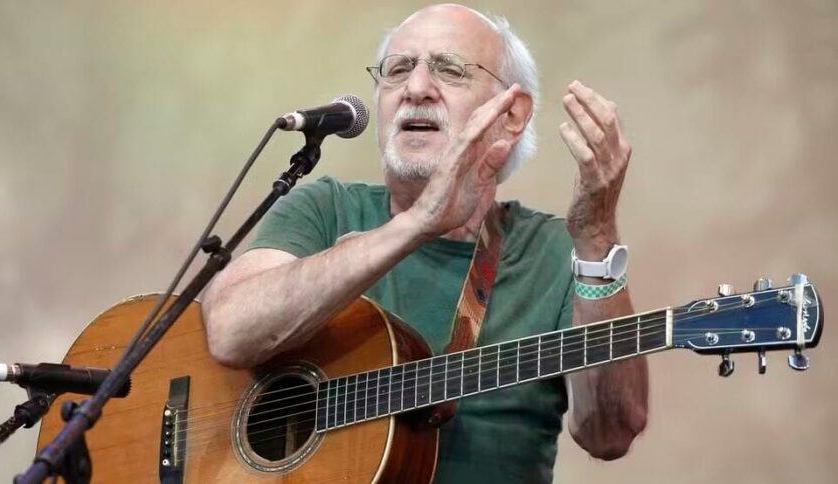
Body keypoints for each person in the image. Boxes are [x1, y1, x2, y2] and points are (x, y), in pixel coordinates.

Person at [202, 3, 648, 482]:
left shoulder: (556, 253)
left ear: (511, 115)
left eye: (449, 70)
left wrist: (597, 237)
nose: (415, 88)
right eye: (397, 70)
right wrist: (417, 224)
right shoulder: (325, 210)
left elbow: (610, 432)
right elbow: (230, 331)